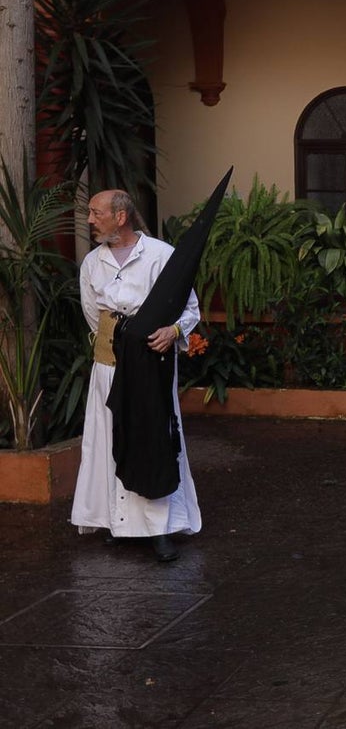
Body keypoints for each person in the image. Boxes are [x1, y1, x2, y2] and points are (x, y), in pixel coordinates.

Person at [70, 189, 202, 562]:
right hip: (109, 363)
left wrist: (174, 332)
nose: (91, 220)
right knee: (109, 436)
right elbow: (93, 317)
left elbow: (189, 309)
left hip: (151, 364)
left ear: (121, 217)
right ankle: (116, 522)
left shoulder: (161, 255)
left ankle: (159, 529)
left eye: (97, 213)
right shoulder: (93, 263)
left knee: (154, 438)